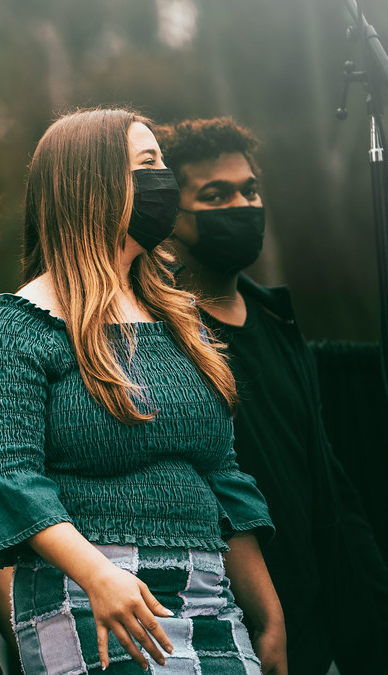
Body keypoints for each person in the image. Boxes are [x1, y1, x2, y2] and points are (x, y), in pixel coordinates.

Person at [0, 108, 287, 674]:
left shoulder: (179, 317)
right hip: (89, 596)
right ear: (94, 184)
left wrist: (269, 617)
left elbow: (224, 475)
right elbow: (12, 482)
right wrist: (99, 577)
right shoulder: (22, 325)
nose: (164, 179)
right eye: (148, 164)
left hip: (209, 592)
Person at [156, 116, 388, 674]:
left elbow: (325, 479)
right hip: (229, 627)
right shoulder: (165, 336)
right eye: (215, 195)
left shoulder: (276, 319)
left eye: (249, 190)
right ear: (169, 215)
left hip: (320, 620)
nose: (241, 205)